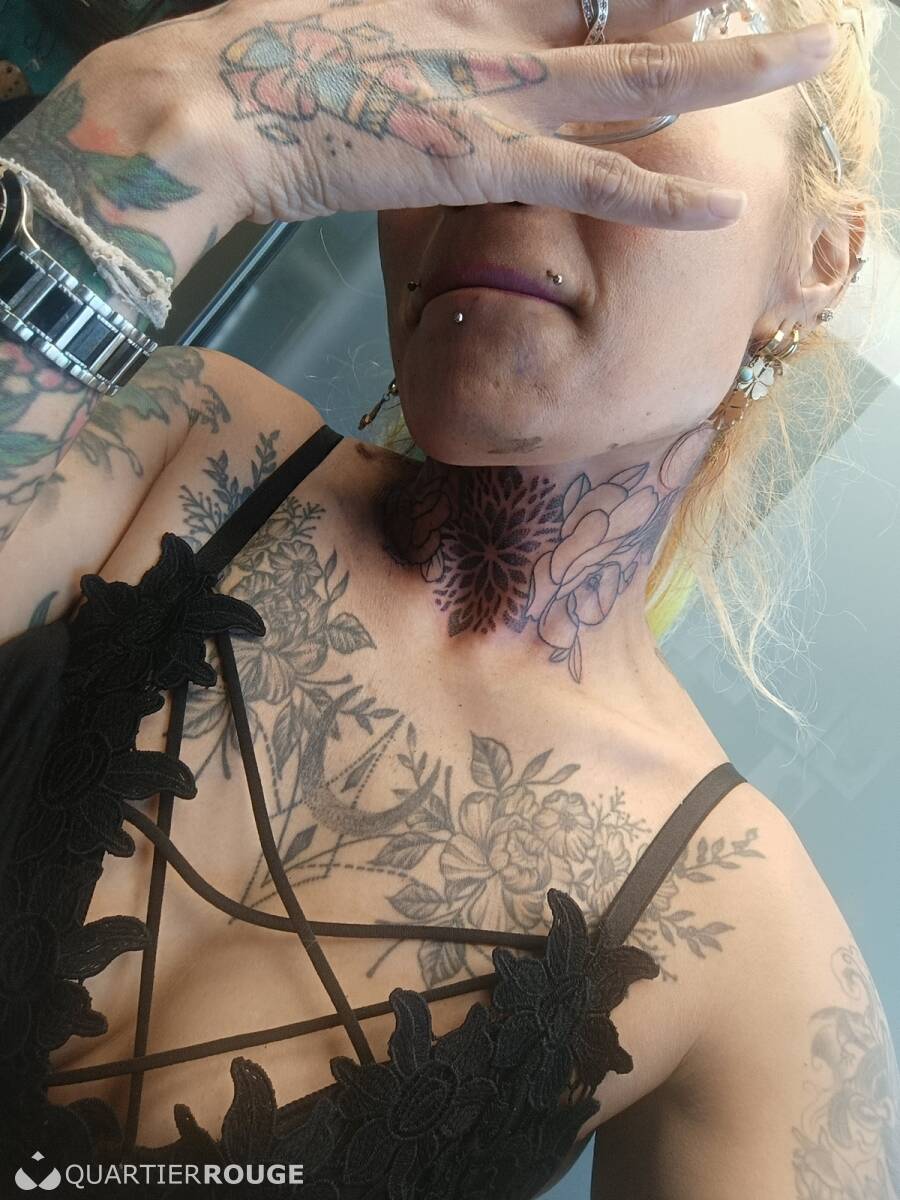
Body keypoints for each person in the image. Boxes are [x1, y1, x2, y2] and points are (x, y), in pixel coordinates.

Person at [0, 0, 897, 1195]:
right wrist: (162, 112)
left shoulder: (752, 957)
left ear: (820, 258)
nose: (495, 144)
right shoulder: (180, 439)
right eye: (469, 62)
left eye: (643, 75)